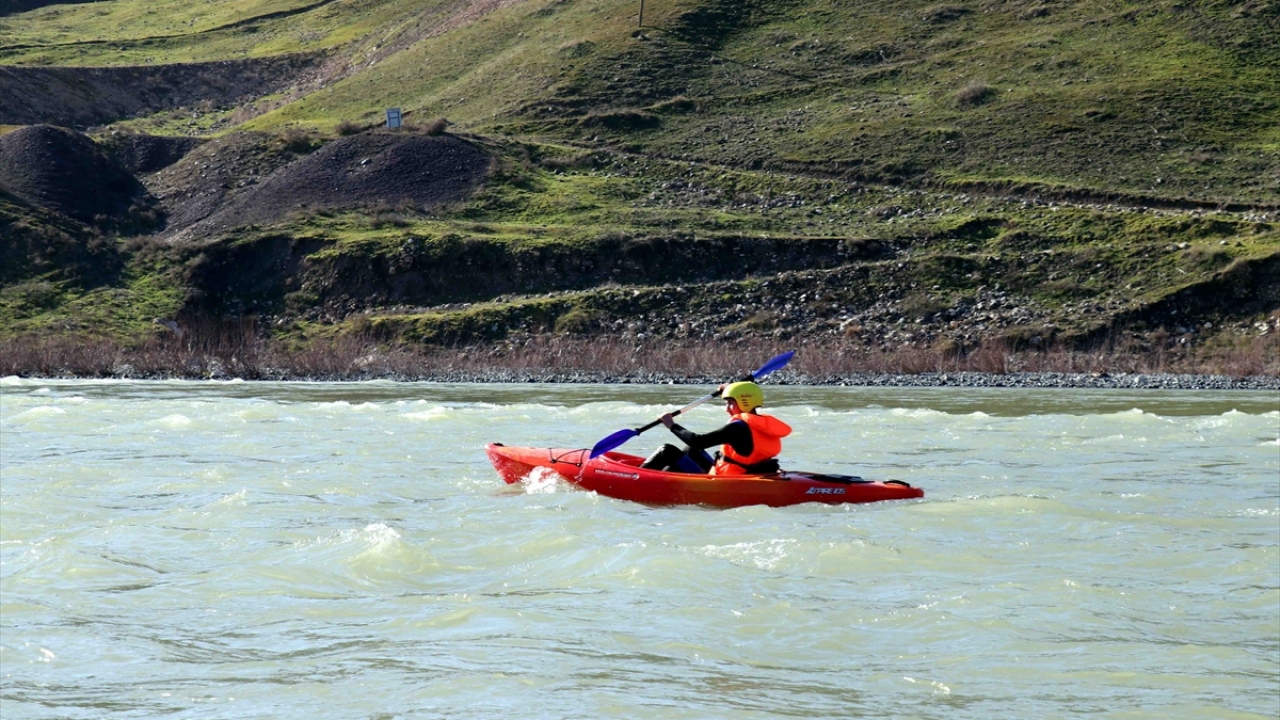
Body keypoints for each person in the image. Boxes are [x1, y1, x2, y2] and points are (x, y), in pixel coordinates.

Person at [639, 381, 792, 475]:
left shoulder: (737, 428)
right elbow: (695, 446)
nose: (727, 409)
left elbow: (698, 441)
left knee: (667, 450)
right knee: (690, 450)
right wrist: (728, 391)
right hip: (746, 472)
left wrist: (671, 425)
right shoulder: (762, 424)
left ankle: (636, 478)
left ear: (745, 401)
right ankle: (666, 476)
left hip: (726, 479)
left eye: (730, 403)